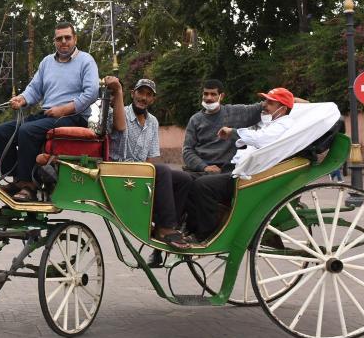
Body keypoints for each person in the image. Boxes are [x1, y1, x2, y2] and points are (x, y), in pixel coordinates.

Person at [0, 22, 99, 202]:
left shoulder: (86, 60)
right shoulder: (47, 62)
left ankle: (28, 186)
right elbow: (34, 89)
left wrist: (64, 109)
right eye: (59, 38)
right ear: (54, 41)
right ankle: (16, 178)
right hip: (48, 115)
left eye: (67, 37)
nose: (63, 42)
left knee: (27, 131)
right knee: (1, 132)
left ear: (75, 39)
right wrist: (22, 99)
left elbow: (91, 92)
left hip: (73, 116)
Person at [186, 88, 296, 241]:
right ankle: (190, 227)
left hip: (251, 177)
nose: (264, 105)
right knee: (188, 181)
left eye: (270, 103)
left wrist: (233, 132)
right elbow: (187, 150)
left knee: (202, 185)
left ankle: (205, 233)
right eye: (206, 94)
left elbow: (260, 139)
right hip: (239, 170)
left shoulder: (282, 125)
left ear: (282, 109)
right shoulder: (271, 123)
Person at [104, 77, 194, 249]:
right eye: (140, 92)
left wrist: (147, 179)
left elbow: (150, 159)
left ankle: (166, 225)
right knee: (163, 171)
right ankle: (166, 229)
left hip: (141, 171)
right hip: (119, 170)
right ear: (133, 93)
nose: (143, 98)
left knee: (184, 179)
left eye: (148, 95)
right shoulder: (119, 112)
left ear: (153, 99)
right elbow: (118, 126)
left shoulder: (153, 122)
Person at [182, 79, 263, 175]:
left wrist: (276, 98)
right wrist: (204, 167)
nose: (208, 98)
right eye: (205, 94)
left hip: (226, 171)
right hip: (200, 171)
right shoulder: (195, 120)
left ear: (222, 96)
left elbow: (261, 107)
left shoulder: (235, 112)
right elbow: (187, 150)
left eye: (213, 94)